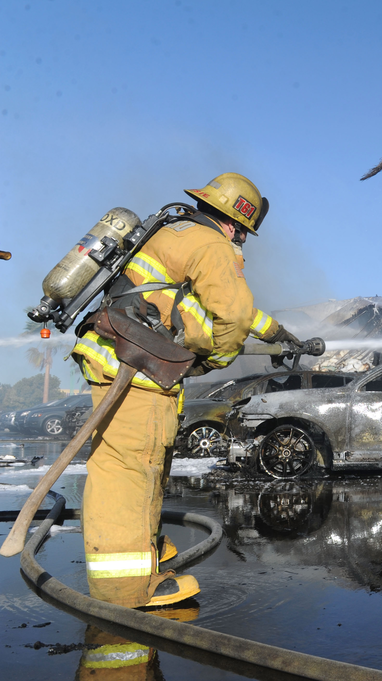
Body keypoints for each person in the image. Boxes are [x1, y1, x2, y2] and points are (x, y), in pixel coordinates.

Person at [71, 172, 299, 609]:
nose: (241, 243)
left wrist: (283, 335)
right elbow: (231, 315)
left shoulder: (176, 233)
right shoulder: (213, 246)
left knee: (143, 468)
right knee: (129, 473)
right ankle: (125, 591)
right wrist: (213, 361)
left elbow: (224, 307)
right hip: (137, 371)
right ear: (235, 223)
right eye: (244, 235)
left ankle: (149, 551)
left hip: (123, 363)